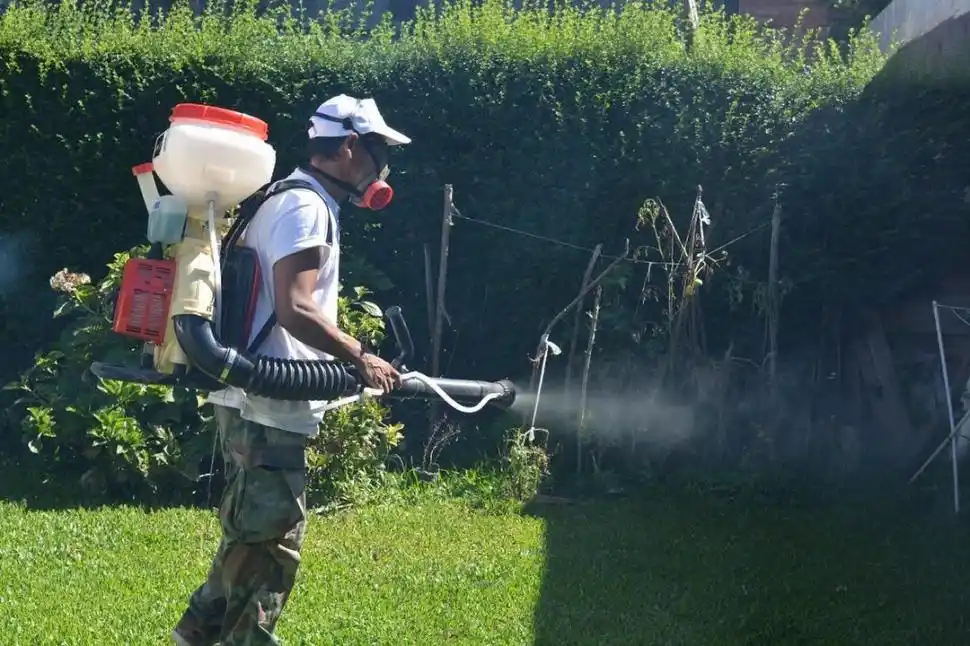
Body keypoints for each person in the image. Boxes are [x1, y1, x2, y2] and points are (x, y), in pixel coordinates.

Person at [172, 94, 411, 646]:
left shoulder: (279, 195)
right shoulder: (307, 206)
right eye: (379, 152)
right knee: (272, 549)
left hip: (252, 396)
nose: (384, 167)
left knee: (248, 537)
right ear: (350, 147)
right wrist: (359, 354)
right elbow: (295, 307)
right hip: (269, 402)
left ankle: (193, 636)